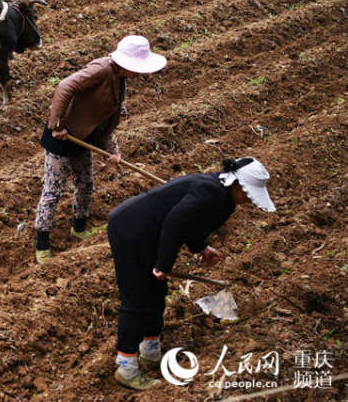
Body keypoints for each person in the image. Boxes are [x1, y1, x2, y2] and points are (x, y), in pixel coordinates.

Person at [107, 157, 276, 390]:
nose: (249, 200)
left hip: (148, 232)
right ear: (238, 186)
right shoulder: (212, 193)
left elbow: (190, 222)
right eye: (248, 194)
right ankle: (126, 367)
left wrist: (201, 248)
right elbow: (175, 223)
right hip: (131, 230)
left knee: (156, 292)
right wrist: (163, 264)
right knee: (137, 297)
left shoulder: (221, 196)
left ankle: (150, 351)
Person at [34, 35, 166, 264]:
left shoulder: (120, 79)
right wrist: (58, 125)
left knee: (85, 184)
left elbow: (106, 122)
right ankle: (42, 243)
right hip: (61, 138)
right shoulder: (102, 70)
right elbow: (65, 87)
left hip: (83, 138)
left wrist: (111, 149)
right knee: (53, 191)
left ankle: (79, 228)